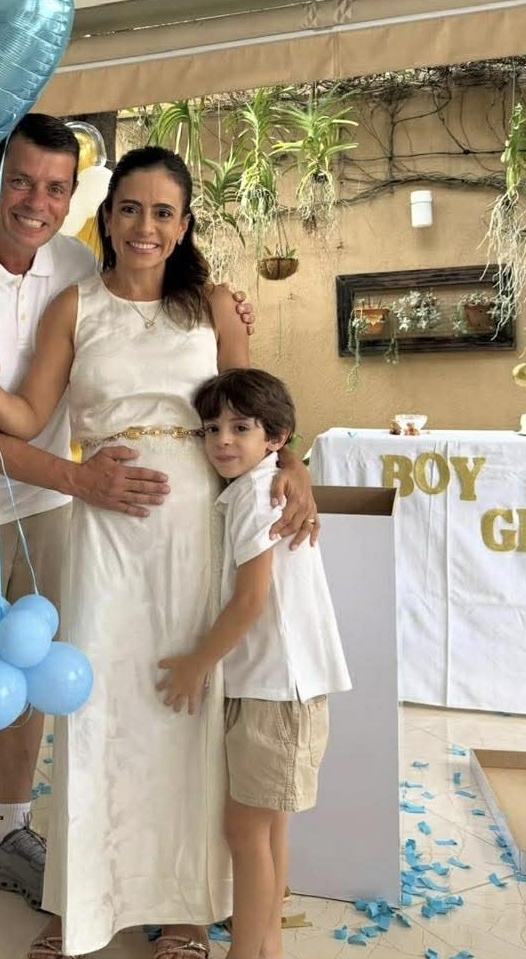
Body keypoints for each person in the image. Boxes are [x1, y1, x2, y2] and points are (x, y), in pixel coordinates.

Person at [0, 117, 260, 959]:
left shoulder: (94, 268)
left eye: (55, 187)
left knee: (92, 689)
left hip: (132, 520)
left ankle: (89, 864)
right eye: (22, 182)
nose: (37, 201)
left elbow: (248, 403)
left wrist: (285, 467)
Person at [0, 146, 318, 959]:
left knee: (185, 715)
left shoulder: (213, 306)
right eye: (129, 208)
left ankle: (184, 908)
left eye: (162, 212)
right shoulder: (73, 306)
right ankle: (81, 901)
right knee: (97, 710)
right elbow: (29, 414)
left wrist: (293, 464)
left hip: (196, 529)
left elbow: (253, 411)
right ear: (108, 216)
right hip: (103, 525)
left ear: (183, 225)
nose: (144, 226)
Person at [157, 369, 352, 959]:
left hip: (276, 690)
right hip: (281, 686)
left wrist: (197, 664)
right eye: (211, 428)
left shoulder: (253, 494)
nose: (222, 440)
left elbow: (251, 600)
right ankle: (266, 949)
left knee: (245, 833)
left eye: (240, 428)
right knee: (267, 830)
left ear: (276, 437)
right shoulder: (262, 484)